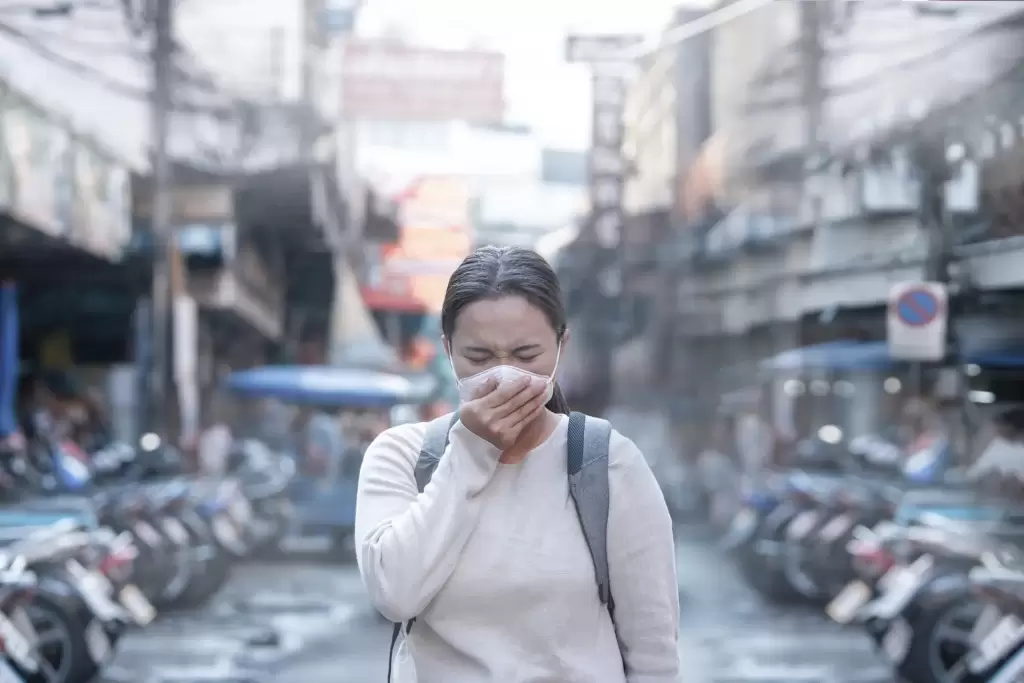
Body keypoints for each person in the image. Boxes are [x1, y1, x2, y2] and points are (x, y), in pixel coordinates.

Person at [354, 245, 680, 683]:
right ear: (448, 350)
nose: (504, 376)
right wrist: (471, 450)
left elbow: (654, 652)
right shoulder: (403, 456)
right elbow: (395, 593)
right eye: (479, 357)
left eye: (526, 355)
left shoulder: (606, 463)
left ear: (561, 347)